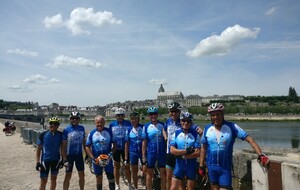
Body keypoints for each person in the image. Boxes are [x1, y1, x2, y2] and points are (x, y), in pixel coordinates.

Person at [199, 103, 270, 190]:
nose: (215, 117)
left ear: (222, 114)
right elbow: (204, 147)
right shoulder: (207, 128)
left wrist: (261, 154)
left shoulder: (232, 127)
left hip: (225, 169)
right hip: (211, 168)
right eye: (213, 115)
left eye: (218, 114)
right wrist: (201, 165)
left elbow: (249, 139)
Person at [169, 112, 201, 190]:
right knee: (173, 188)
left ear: (191, 122)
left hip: (191, 166)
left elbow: (197, 153)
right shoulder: (176, 133)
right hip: (179, 166)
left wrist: (183, 156)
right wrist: (186, 151)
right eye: (183, 120)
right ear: (180, 121)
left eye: (188, 121)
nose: (186, 123)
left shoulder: (195, 134)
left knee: (190, 188)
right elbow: (172, 150)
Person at [85, 115, 116, 190]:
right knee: (98, 177)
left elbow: (115, 145)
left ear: (104, 122)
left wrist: (110, 154)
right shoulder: (92, 133)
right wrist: (92, 158)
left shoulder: (109, 132)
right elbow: (87, 146)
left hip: (107, 158)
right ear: (95, 123)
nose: (99, 124)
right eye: (98, 122)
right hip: (96, 159)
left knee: (110, 176)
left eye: (101, 122)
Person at [142, 106, 167, 190]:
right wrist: (143, 157)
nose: (153, 116)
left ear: (157, 115)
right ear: (149, 116)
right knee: (149, 174)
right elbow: (144, 142)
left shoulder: (162, 125)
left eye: (154, 114)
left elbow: (167, 139)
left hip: (161, 153)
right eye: (151, 114)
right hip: (151, 153)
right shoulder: (146, 126)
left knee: (163, 175)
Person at [36, 117, 64, 190]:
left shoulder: (61, 135)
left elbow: (63, 148)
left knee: (54, 179)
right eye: (51, 123)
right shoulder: (43, 135)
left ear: (58, 125)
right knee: (43, 181)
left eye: (55, 124)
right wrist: (37, 162)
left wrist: (63, 160)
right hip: (45, 161)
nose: (52, 125)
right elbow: (38, 149)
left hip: (56, 161)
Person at [62, 112, 86, 190]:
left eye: (76, 118)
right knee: (68, 175)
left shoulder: (82, 128)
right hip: (70, 156)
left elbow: (84, 142)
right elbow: (64, 145)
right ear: (70, 119)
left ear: (79, 119)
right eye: (72, 118)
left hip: (79, 155)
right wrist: (64, 158)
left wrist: (87, 155)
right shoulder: (66, 130)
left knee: (82, 174)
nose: (74, 120)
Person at [109, 107, 132, 190]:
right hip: (116, 148)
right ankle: (117, 184)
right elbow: (110, 136)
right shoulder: (112, 124)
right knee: (116, 166)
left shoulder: (128, 123)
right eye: (118, 115)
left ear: (124, 116)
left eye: (121, 115)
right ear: (116, 116)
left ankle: (129, 184)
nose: (120, 117)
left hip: (126, 148)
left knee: (127, 166)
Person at [125, 112, 146, 190]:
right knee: (134, 171)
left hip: (142, 151)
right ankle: (136, 187)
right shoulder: (129, 129)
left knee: (145, 170)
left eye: (136, 119)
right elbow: (126, 144)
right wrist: (126, 158)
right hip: (133, 152)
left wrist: (144, 155)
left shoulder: (143, 127)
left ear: (138, 119)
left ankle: (145, 185)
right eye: (132, 119)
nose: (134, 120)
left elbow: (144, 140)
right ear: (130, 120)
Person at [164, 102, 183, 190]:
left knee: (180, 179)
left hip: (180, 153)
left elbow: (192, 128)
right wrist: (165, 137)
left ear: (179, 112)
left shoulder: (183, 122)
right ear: (169, 112)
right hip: (169, 152)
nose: (174, 113)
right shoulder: (168, 121)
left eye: (176, 111)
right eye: (172, 111)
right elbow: (164, 130)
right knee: (168, 177)